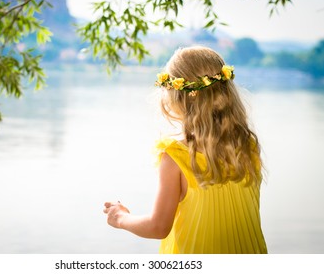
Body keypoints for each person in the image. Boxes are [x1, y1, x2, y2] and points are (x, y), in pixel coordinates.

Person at [103, 46, 267, 254]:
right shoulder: (248, 146)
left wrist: (120, 218)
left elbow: (158, 227)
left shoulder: (176, 156)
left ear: (176, 97)